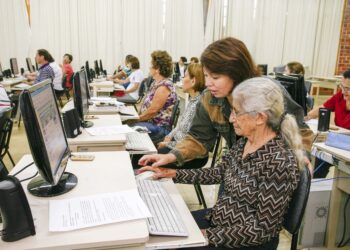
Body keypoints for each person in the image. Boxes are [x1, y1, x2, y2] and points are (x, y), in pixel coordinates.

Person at [138, 77, 303, 249]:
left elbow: (262, 230)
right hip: (219, 221)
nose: (231, 119)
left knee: (164, 242)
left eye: (237, 112)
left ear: (260, 118)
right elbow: (219, 173)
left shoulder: (279, 162)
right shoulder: (244, 142)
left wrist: (204, 236)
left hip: (244, 242)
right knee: (159, 229)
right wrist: (172, 174)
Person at [138, 37, 313, 169]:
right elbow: (198, 138)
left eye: (215, 77)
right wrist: (172, 156)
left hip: (270, 170)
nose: (207, 83)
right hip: (238, 167)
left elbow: (301, 131)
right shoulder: (209, 98)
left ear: (236, 73)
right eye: (206, 76)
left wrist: (301, 159)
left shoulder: (268, 93)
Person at [305, 68, 350, 178]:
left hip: (345, 148)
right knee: (317, 157)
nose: (343, 91)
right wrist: (307, 117)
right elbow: (323, 108)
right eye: (342, 86)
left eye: (348, 89)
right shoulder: (340, 96)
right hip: (338, 143)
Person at [158, 63, 205, 155]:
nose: (182, 80)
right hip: (177, 142)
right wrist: (169, 136)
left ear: (193, 81)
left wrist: (169, 144)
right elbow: (180, 125)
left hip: (184, 150)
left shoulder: (198, 106)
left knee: (148, 156)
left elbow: (191, 143)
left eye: (184, 76)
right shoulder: (192, 100)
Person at [131, 50, 177, 144]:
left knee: (129, 129)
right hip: (150, 124)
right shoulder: (156, 83)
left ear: (157, 69)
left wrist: (135, 119)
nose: (149, 67)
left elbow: (152, 112)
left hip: (159, 128)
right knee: (128, 126)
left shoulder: (164, 86)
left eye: (151, 65)